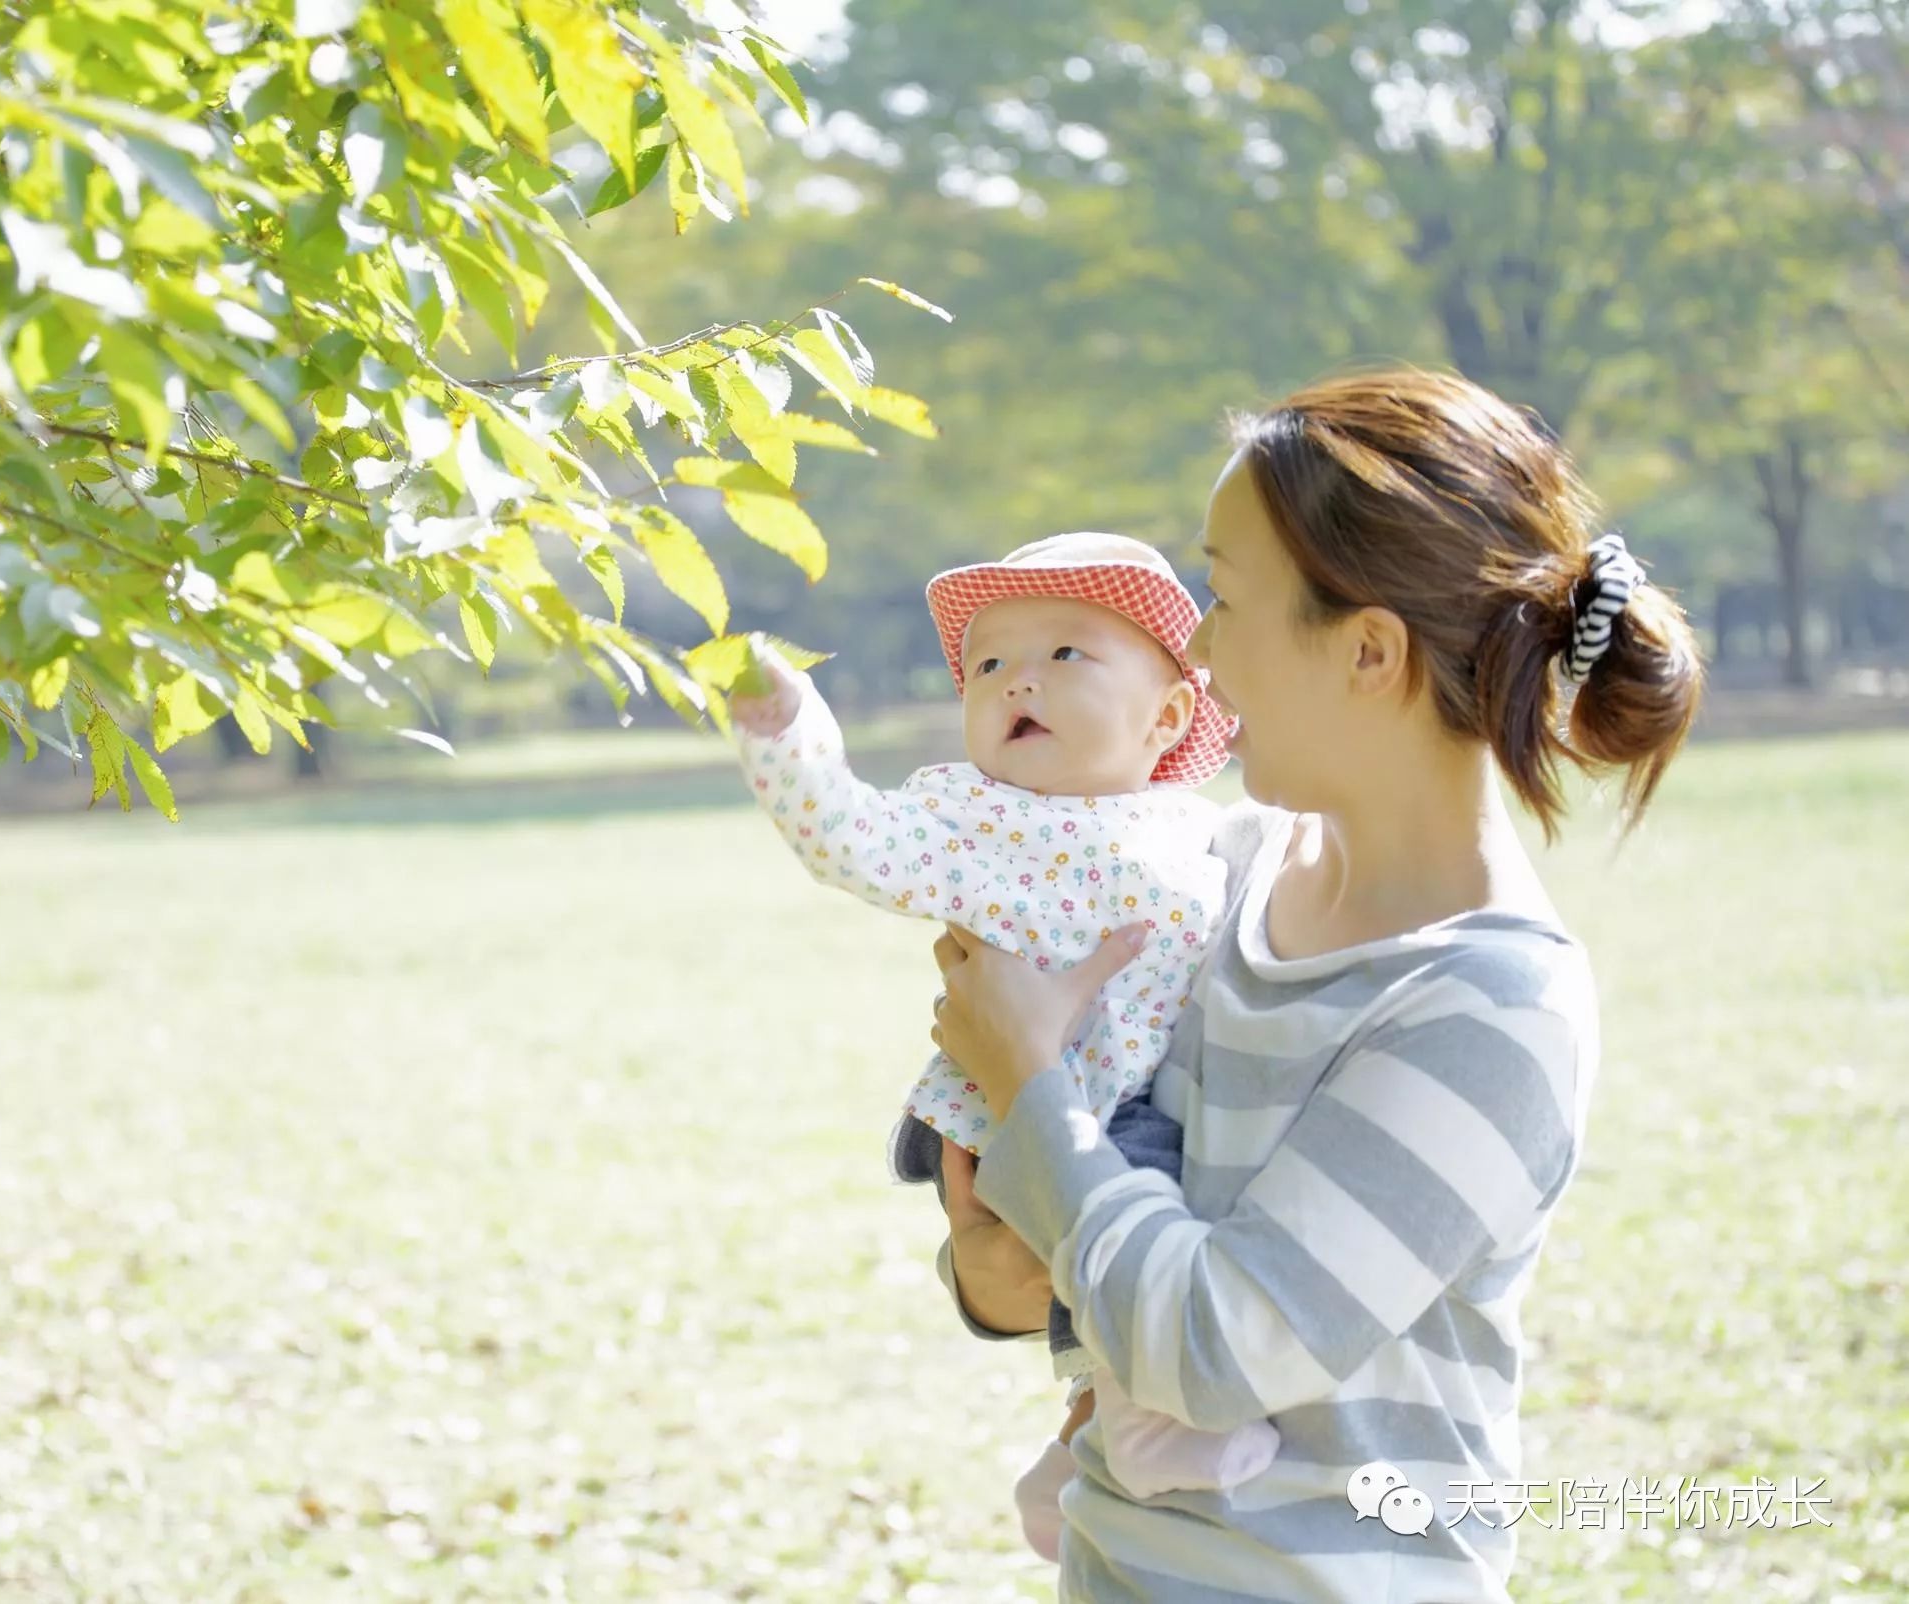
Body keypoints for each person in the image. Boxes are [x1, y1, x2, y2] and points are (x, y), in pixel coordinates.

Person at [917, 366, 1704, 1601]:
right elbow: (1057, 1248)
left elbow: (1213, 1347)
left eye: (1223, 598)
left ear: (1368, 651)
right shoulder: (1216, 874)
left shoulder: (1490, 1008)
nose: (1192, 645)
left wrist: (1026, 1086)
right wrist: (993, 1264)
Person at [725, 533, 1281, 1559]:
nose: (1018, 677)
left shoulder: (1207, 828)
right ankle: (1142, 1423)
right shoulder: (975, 819)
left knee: (1160, 1216)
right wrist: (784, 728)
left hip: (1140, 1099)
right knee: (1134, 1221)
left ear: (1166, 716)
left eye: (1068, 654)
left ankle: (1084, 1439)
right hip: (1021, 1110)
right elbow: (847, 835)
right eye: (989, 665)